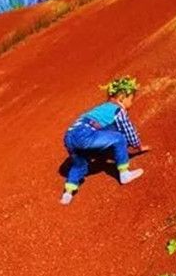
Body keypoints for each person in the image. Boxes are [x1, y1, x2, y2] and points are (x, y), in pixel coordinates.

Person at [61, 76, 149, 205]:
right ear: (121, 98)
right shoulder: (118, 110)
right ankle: (125, 174)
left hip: (69, 136)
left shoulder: (102, 108)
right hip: (85, 134)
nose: (131, 103)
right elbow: (128, 129)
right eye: (130, 99)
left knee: (79, 164)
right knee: (119, 138)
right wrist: (138, 146)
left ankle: (68, 193)